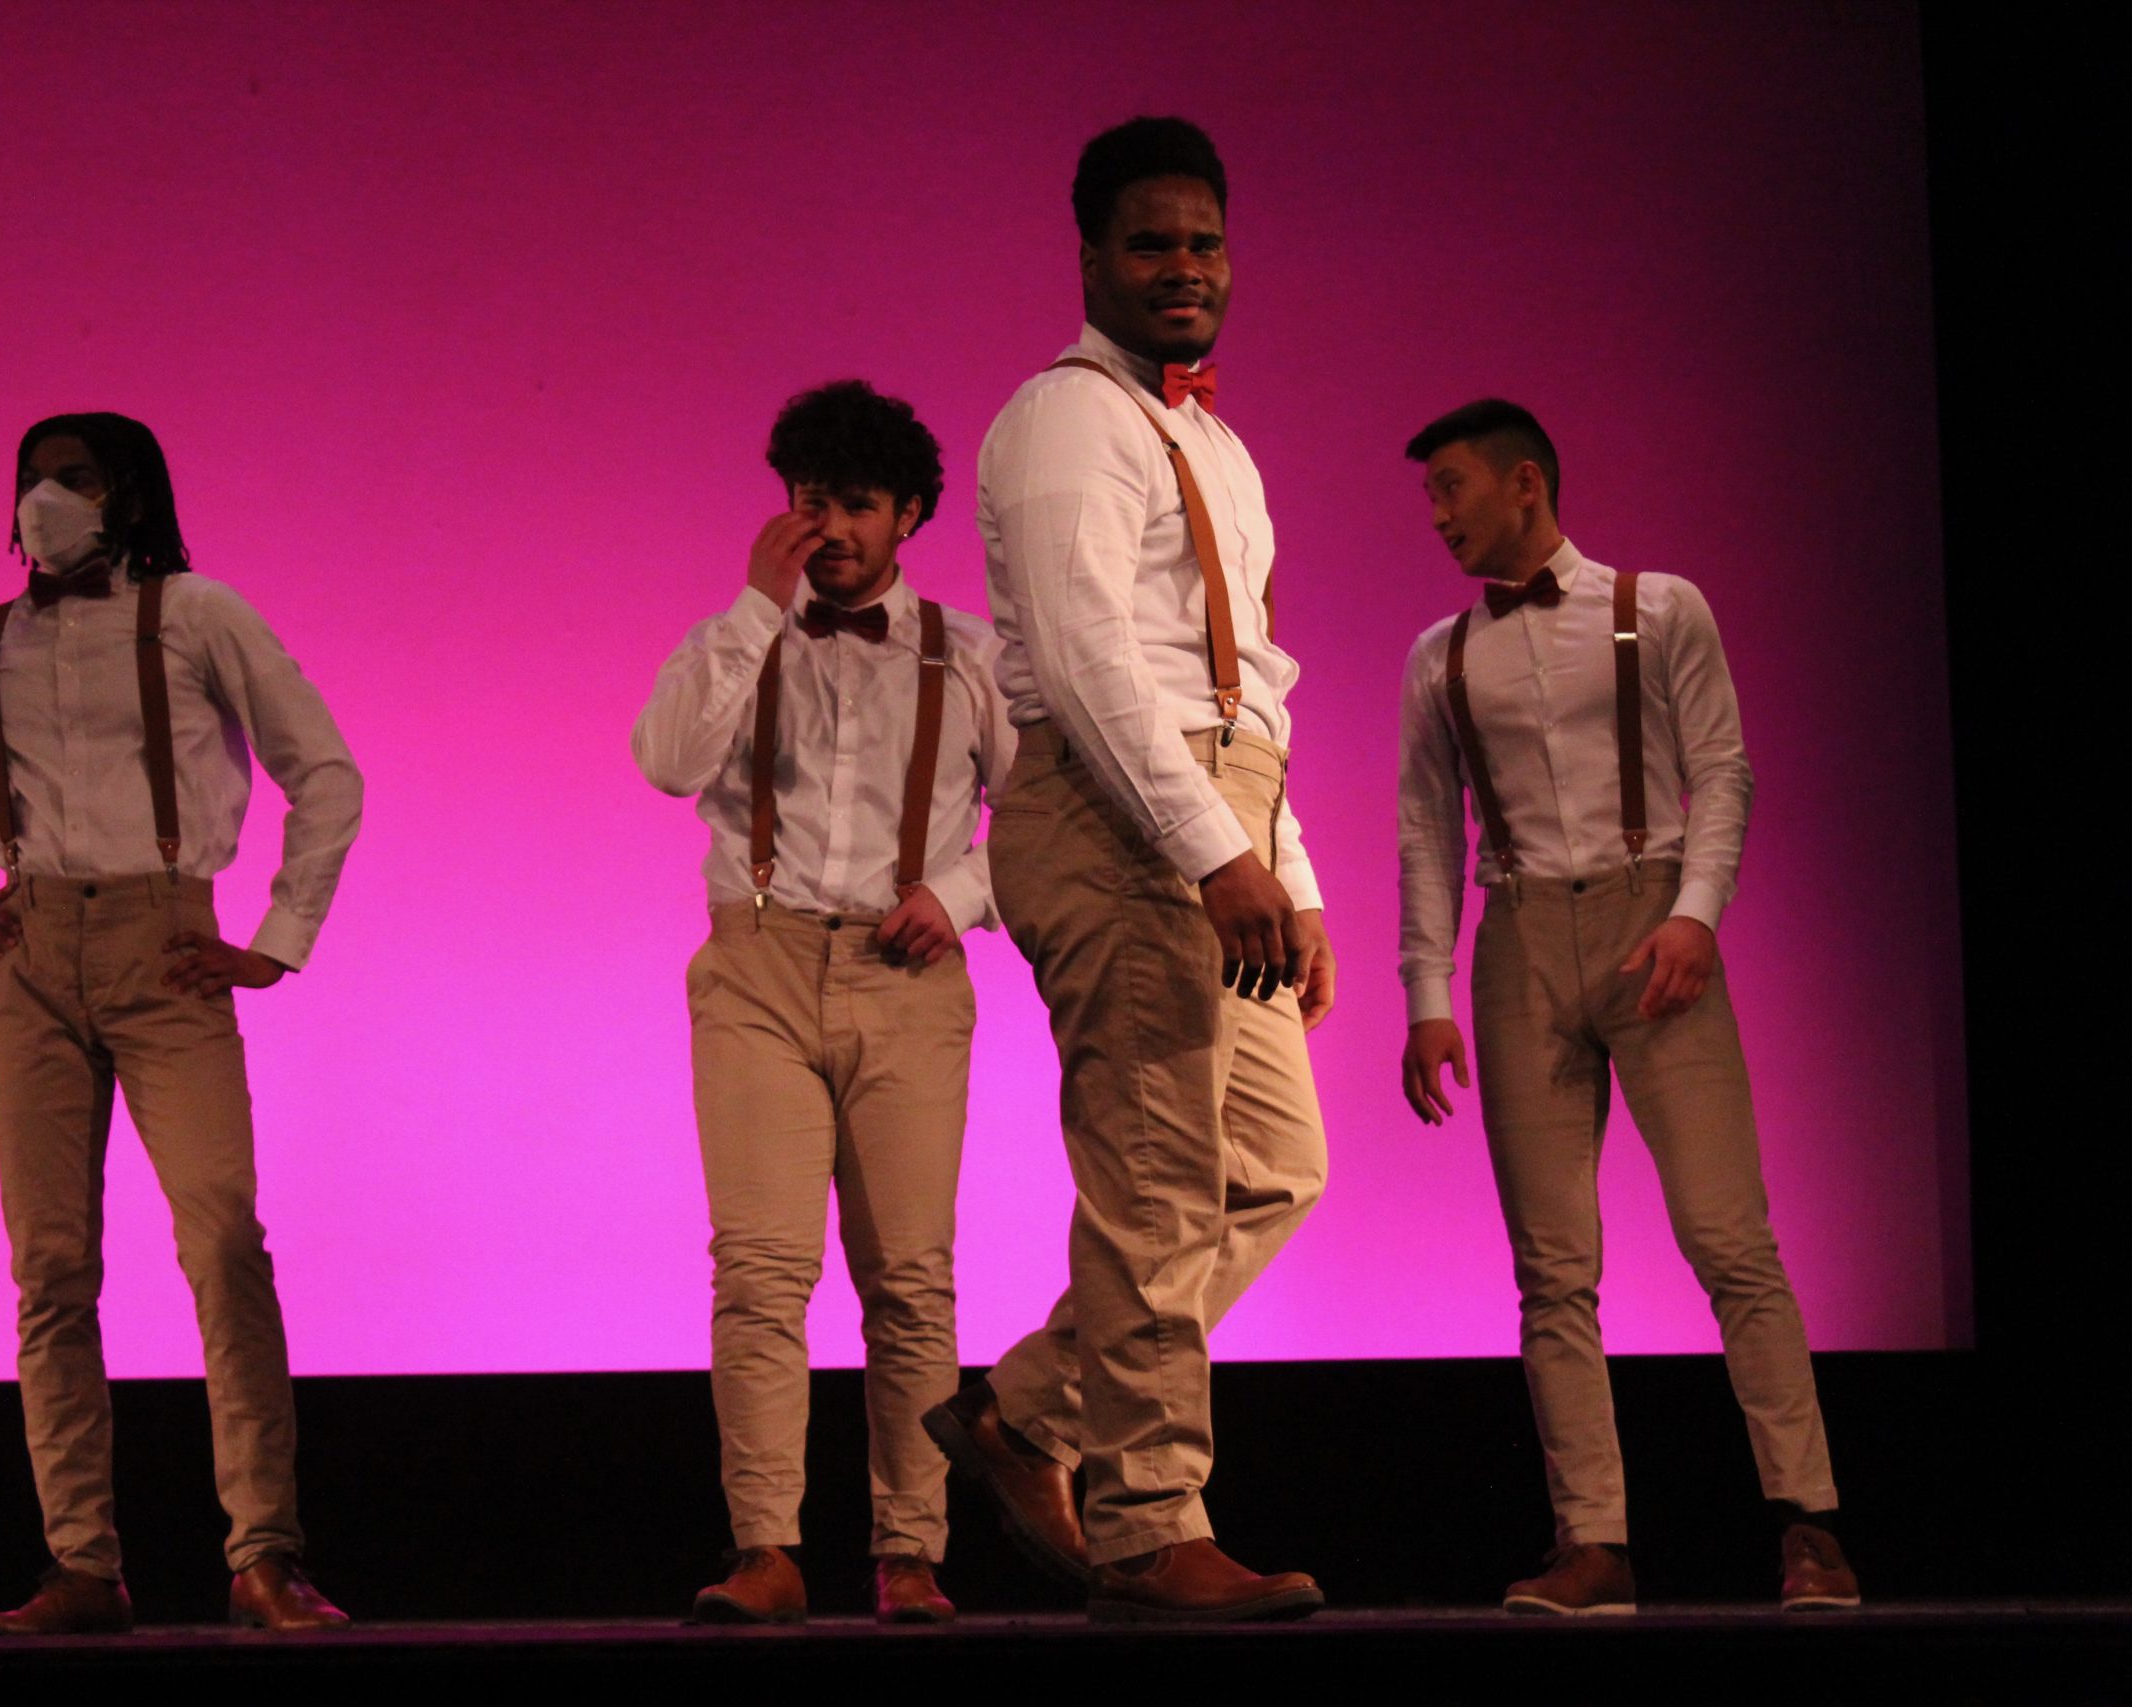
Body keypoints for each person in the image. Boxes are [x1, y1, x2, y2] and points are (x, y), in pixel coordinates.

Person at [924, 117, 1334, 1624]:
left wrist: (1291, 874)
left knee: (1278, 1162)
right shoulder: (1063, 420)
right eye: (1152, 242)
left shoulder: (1213, 441)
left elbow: (1253, 682)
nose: (1183, 267)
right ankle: (1149, 1517)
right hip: (1118, 818)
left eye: (1204, 242)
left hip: (1215, 814)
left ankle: (1027, 1409)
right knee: (1155, 1180)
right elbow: (1095, 663)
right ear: (1092, 255)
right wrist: (1216, 849)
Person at [0, 413, 362, 1634]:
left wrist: (277, 940)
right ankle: (82, 1564)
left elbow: (326, 773)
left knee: (222, 1246)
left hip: (164, 947)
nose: (44, 500)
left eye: (73, 479)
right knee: (51, 1269)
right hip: (32, 958)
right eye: (30, 478)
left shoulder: (198, 616)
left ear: (126, 496)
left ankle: (264, 1557)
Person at [1395, 398, 1859, 1614]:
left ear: (1527, 484)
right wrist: (1427, 992)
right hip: (1519, 941)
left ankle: (1808, 1525)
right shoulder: (1439, 656)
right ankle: (1591, 1540)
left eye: (1451, 487)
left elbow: (1721, 767)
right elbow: (1425, 832)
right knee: (1553, 1268)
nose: (1436, 515)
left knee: (1728, 1239)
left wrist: (1696, 913)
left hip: (1650, 925)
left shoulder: (1660, 609)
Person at [633, 381, 1013, 1625]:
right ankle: (766, 1548)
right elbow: (665, 762)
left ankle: (911, 1553)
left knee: (910, 1277)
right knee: (759, 1270)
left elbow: (1051, 822)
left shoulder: (973, 658)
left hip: (905, 980)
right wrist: (755, 607)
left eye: (856, 502)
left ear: (908, 513)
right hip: (756, 965)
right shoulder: (735, 640)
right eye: (808, 501)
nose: (830, 526)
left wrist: (958, 895)